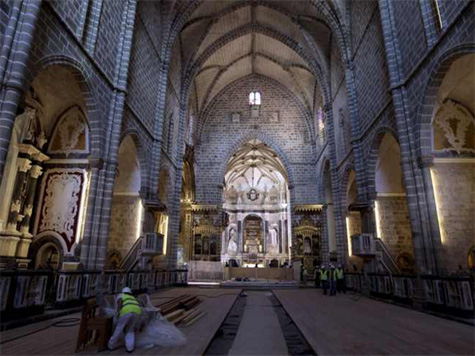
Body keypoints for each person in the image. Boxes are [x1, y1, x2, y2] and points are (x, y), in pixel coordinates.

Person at [108, 287, 143, 353]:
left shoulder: (121, 295)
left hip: (126, 311)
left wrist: (117, 313)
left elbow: (119, 303)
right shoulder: (132, 297)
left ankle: (111, 345)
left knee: (119, 328)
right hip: (137, 312)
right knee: (130, 330)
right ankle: (130, 348)